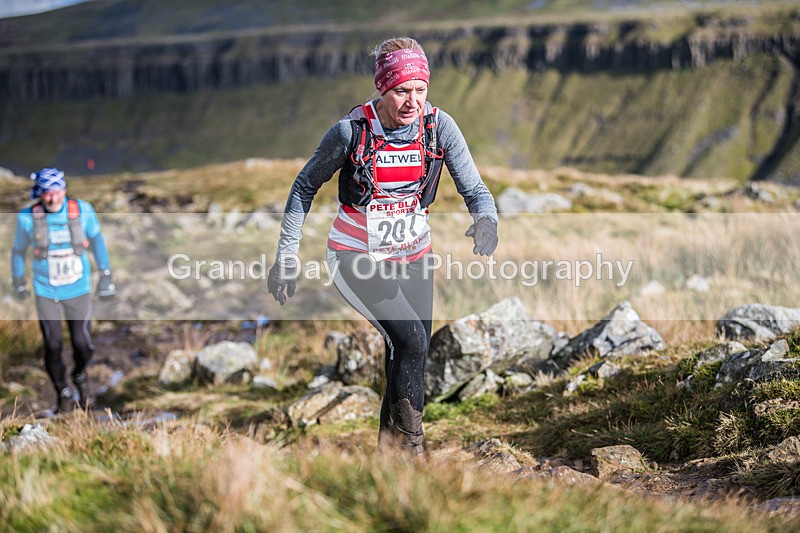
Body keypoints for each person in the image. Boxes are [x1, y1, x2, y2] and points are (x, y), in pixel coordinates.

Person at [268, 37, 498, 456]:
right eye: (401, 91)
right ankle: (413, 454)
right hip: (354, 258)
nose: (413, 101)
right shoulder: (350, 132)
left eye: (420, 89)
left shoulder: (439, 127)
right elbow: (304, 186)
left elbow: (476, 189)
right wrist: (287, 255)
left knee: (407, 355)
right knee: (411, 343)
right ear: (382, 88)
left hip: (415, 257)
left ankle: (387, 464)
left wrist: (486, 220)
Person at [11, 168, 116, 414]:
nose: (52, 199)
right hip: (46, 290)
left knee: (83, 343)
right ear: (40, 194)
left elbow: (98, 241)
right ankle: (63, 391)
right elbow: (18, 251)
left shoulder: (82, 211)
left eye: (56, 192)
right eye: (46, 194)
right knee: (53, 344)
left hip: (78, 288)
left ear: (64, 190)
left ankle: (79, 374)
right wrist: (18, 280)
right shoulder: (27, 218)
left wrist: (106, 275)